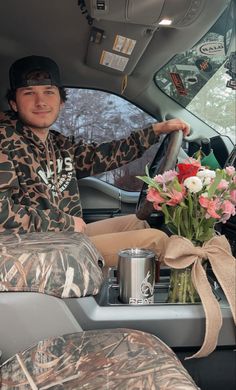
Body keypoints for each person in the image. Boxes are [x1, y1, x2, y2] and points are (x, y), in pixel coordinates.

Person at [0, 55, 190, 266]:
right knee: (157, 241)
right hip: (30, 251)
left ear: (61, 102)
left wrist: (158, 130)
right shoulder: (4, 141)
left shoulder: (56, 143)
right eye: (29, 93)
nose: (41, 101)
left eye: (48, 92)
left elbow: (104, 155)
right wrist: (64, 223)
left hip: (62, 238)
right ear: (14, 104)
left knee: (138, 224)